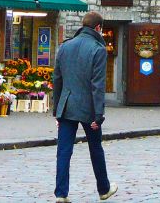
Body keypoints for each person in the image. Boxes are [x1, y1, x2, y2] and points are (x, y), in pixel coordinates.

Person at [53, 11, 119, 203]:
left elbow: (57, 80)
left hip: (65, 106)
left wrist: (57, 110)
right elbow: (97, 85)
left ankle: (61, 193)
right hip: (88, 109)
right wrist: (99, 115)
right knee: (95, 148)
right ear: (98, 28)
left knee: (63, 150)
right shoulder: (98, 49)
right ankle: (103, 189)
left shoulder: (65, 47)